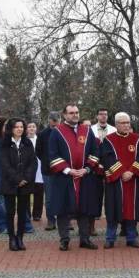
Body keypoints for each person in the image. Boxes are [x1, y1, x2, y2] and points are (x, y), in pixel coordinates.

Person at [48, 104, 102, 251]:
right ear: (64, 115)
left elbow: (95, 151)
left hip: (84, 177)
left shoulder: (87, 130)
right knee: (63, 210)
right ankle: (64, 240)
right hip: (64, 177)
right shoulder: (57, 132)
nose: (75, 115)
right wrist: (68, 170)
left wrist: (87, 168)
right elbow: (52, 155)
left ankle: (84, 239)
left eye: (77, 112)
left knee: (84, 209)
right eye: (71, 113)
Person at [100, 112, 139, 249]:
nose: (126, 125)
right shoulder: (108, 140)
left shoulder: (137, 139)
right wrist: (122, 172)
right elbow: (107, 158)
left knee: (131, 210)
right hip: (116, 182)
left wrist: (132, 171)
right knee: (113, 209)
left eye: (128, 122)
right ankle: (110, 238)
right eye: (123, 123)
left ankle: (131, 238)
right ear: (116, 125)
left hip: (133, 181)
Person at [0, 118, 38, 251]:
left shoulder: (28, 143)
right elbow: (4, 164)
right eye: (16, 127)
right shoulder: (4, 144)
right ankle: (11, 238)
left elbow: (33, 163)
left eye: (21, 127)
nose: (20, 129)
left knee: (23, 213)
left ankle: (20, 238)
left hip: (25, 184)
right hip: (10, 183)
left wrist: (26, 178)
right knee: (10, 212)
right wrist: (17, 179)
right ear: (11, 129)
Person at [36, 112, 61, 231]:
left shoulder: (65, 132)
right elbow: (38, 151)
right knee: (49, 197)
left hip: (63, 169)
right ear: (49, 120)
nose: (56, 123)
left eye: (57, 120)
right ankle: (51, 220)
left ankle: (65, 220)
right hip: (48, 170)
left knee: (64, 195)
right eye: (53, 121)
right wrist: (47, 161)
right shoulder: (42, 134)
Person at [26, 122, 45, 222]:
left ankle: (37, 214)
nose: (31, 128)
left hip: (39, 170)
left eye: (33, 127)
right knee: (26, 193)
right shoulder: (23, 140)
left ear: (36, 129)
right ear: (26, 129)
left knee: (39, 193)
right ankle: (27, 213)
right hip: (27, 170)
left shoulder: (40, 139)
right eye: (29, 127)